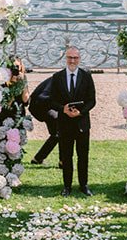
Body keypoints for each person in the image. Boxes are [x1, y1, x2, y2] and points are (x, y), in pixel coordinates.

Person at [47, 46, 96, 196]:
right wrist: (63, 109)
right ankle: (66, 186)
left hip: (82, 124)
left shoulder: (86, 76)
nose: (72, 60)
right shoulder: (57, 77)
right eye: (70, 57)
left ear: (79, 59)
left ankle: (84, 185)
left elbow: (92, 100)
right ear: (66, 58)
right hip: (64, 124)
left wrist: (80, 112)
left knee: (83, 156)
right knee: (66, 156)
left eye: (75, 58)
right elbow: (51, 100)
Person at [27, 71, 58, 166]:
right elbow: (42, 98)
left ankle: (38, 158)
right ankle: (62, 162)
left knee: (58, 134)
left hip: (43, 106)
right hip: (39, 107)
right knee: (59, 133)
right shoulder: (58, 79)